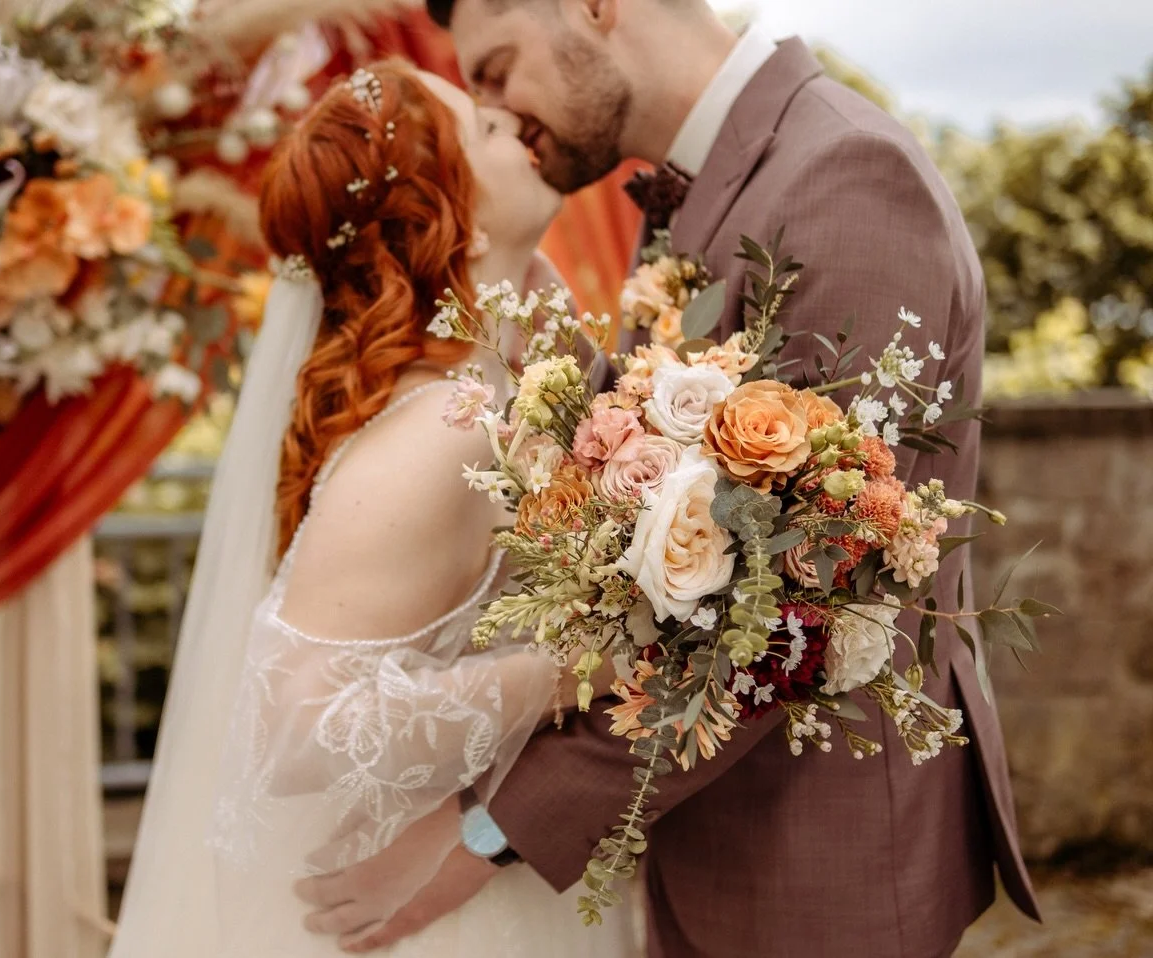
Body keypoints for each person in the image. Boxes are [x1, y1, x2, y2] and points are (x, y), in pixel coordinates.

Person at [295, 2, 1043, 956]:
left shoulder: (845, 178)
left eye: (495, 70)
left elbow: (799, 610)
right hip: (696, 844)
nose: (499, 110)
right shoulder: (702, 195)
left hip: (813, 871)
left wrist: (483, 832)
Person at [106, 61, 637, 956]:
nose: (516, 122)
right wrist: (565, 670)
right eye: (488, 130)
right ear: (442, 214)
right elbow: (295, 728)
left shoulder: (519, 355)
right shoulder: (439, 432)